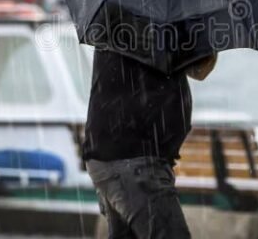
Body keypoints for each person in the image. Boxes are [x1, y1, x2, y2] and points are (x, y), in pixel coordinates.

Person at [83, 50, 217, 239]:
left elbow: (198, 68)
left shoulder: (122, 23)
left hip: (118, 153)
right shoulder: (154, 24)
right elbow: (199, 66)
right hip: (134, 159)